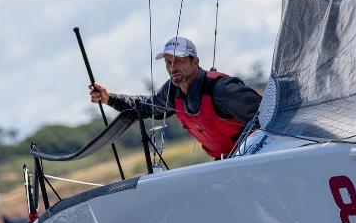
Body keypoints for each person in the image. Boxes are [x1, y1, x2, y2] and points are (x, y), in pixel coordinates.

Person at [90, 37, 262, 160]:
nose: (172, 68)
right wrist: (109, 98)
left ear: (195, 61)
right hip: (224, 163)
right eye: (168, 62)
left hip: (255, 157)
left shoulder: (221, 90)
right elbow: (144, 107)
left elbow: (267, 116)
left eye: (178, 61)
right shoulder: (171, 92)